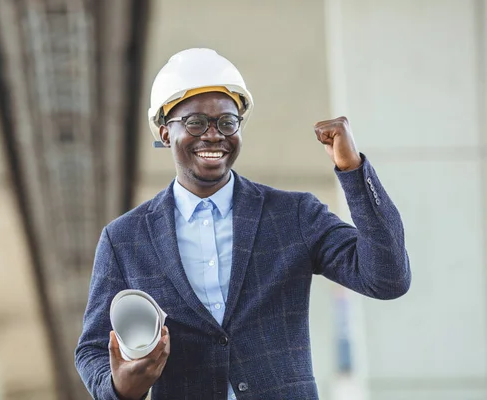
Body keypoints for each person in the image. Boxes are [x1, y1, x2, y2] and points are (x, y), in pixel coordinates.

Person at [75, 48, 411, 400]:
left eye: (226, 122)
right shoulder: (124, 239)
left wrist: (353, 171)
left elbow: (388, 278)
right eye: (194, 123)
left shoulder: (293, 214)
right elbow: (92, 350)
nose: (213, 135)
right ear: (164, 133)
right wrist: (118, 388)